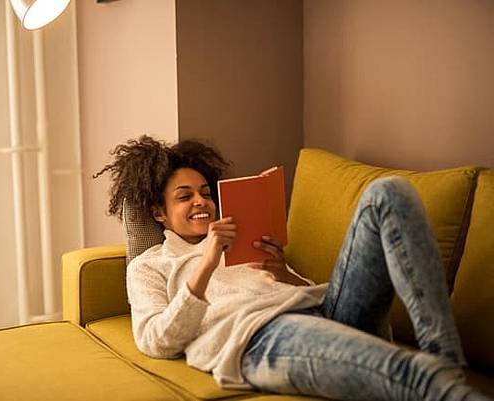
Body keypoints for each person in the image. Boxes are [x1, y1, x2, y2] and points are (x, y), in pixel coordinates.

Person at [94, 135, 491, 401]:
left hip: (324, 310)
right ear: (158, 213)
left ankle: (446, 355)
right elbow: (154, 340)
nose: (200, 202)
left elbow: (301, 293)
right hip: (261, 336)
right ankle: (446, 384)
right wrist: (207, 261)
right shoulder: (152, 265)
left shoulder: (243, 237)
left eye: (204, 192)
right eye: (184, 197)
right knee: (411, 374)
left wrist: (284, 272)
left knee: (389, 193)